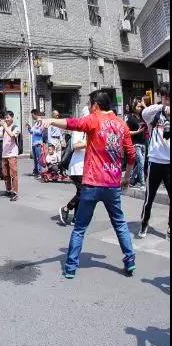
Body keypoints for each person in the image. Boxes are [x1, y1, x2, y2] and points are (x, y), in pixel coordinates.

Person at [41, 90, 136, 278]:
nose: (90, 108)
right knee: (119, 224)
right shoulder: (121, 125)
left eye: (90, 104)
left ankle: (70, 268)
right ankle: (130, 260)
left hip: (92, 183)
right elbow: (131, 155)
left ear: (96, 105)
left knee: (79, 228)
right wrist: (127, 177)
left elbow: (72, 123)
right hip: (112, 185)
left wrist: (50, 121)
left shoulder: (94, 119)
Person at [139, 82, 170, 239]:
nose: (167, 100)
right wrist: (161, 107)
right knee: (149, 196)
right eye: (164, 97)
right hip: (155, 161)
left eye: (169, 97)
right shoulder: (155, 114)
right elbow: (144, 113)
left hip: (169, 163)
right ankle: (144, 223)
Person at [59, 106, 88, 225]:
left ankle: (76, 219)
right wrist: (89, 142)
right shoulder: (79, 128)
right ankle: (66, 208)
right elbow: (75, 146)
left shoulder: (90, 129)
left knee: (80, 193)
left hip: (86, 166)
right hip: (77, 166)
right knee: (84, 192)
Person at [0, 111, 20, 201]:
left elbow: (12, 135)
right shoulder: (3, 128)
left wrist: (4, 126)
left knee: (13, 174)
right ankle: (8, 190)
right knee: (5, 174)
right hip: (4, 154)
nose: (6, 119)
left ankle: (15, 193)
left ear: (12, 117)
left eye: (8, 117)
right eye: (5, 118)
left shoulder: (16, 127)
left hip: (12, 154)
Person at [125, 99, 146, 188]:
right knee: (140, 163)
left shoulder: (143, 117)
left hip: (143, 143)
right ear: (134, 107)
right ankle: (142, 183)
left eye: (140, 106)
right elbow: (127, 132)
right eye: (138, 106)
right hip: (135, 144)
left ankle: (131, 180)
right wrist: (138, 131)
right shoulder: (130, 119)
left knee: (140, 164)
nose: (140, 108)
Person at [27, 110, 45, 178]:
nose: (32, 117)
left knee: (39, 158)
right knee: (35, 159)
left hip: (38, 143)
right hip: (34, 143)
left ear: (35, 114)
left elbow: (40, 132)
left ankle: (40, 173)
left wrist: (33, 130)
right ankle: (36, 171)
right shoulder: (36, 123)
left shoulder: (40, 122)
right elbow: (32, 132)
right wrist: (29, 128)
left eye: (32, 115)